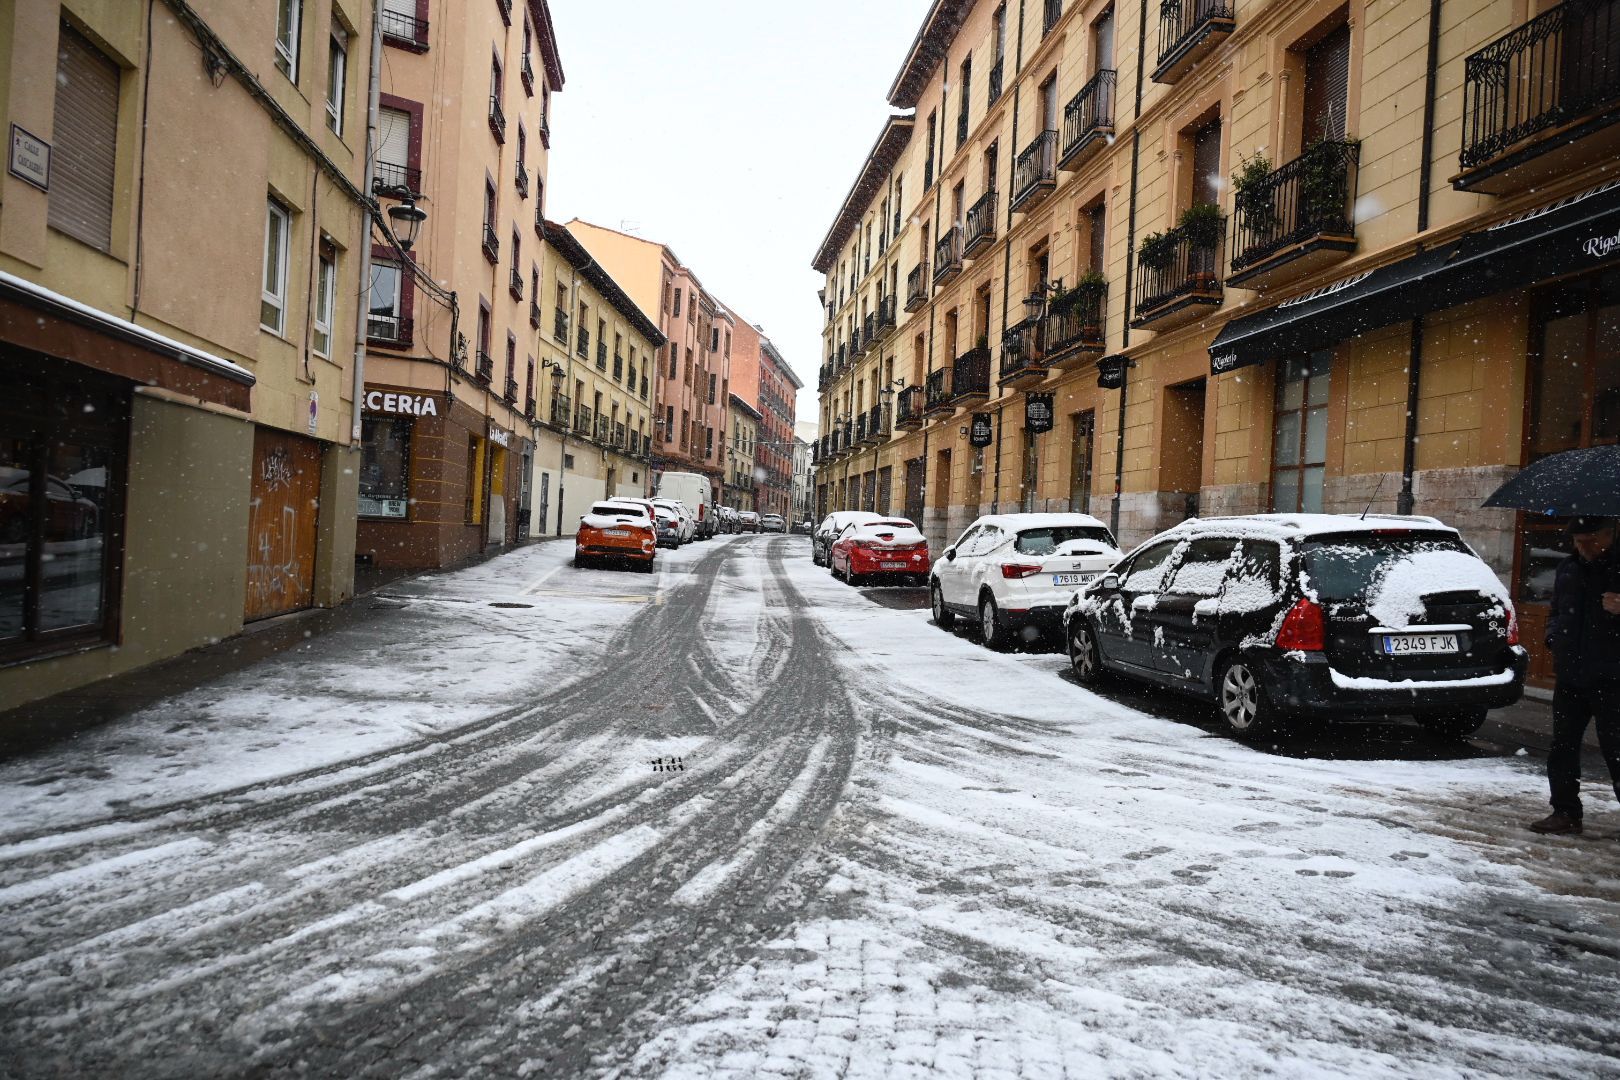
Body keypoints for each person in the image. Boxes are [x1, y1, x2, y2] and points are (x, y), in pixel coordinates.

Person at [1529, 516, 1620, 836]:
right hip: (1571, 674)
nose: (1584, 548)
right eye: (1578, 542)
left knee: (1616, 748)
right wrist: (1554, 638)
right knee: (1563, 746)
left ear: (1608, 536)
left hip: (1613, 677)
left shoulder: (1616, 570)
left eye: (1590, 541)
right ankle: (1565, 812)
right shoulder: (1569, 569)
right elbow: (1557, 610)